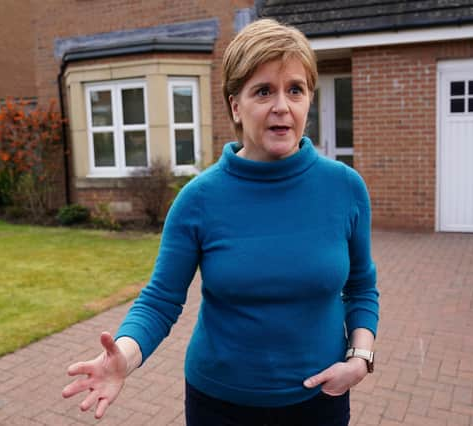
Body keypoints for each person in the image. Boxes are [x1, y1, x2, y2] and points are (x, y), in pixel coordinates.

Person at [62, 18, 379, 426]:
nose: (281, 105)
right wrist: (124, 355)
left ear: (307, 101)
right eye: (263, 91)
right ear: (235, 105)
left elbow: (361, 286)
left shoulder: (345, 188)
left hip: (320, 401)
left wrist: (360, 358)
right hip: (220, 406)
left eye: (295, 90)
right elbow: (161, 299)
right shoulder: (199, 199)